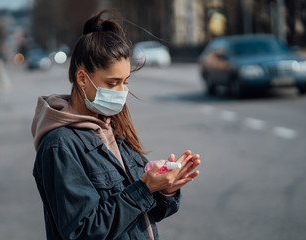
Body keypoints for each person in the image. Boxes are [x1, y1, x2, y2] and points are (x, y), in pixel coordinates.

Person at [31, 9, 201, 240]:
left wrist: (166, 189)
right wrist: (144, 189)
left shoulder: (113, 127)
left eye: (125, 82)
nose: (122, 93)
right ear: (82, 78)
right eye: (112, 83)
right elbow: (82, 233)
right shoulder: (59, 145)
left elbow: (146, 215)